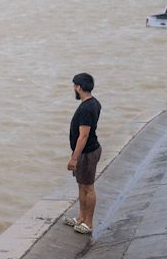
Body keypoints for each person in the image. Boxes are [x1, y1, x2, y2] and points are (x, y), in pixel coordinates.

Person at [63, 73, 102, 235]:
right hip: (86, 152)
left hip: (87, 152)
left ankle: (89, 223)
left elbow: (84, 135)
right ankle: (81, 217)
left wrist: (74, 157)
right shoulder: (93, 103)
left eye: (74, 85)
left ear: (79, 87)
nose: (74, 88)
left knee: (88, 187)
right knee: (81, 185)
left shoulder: (86, 108)